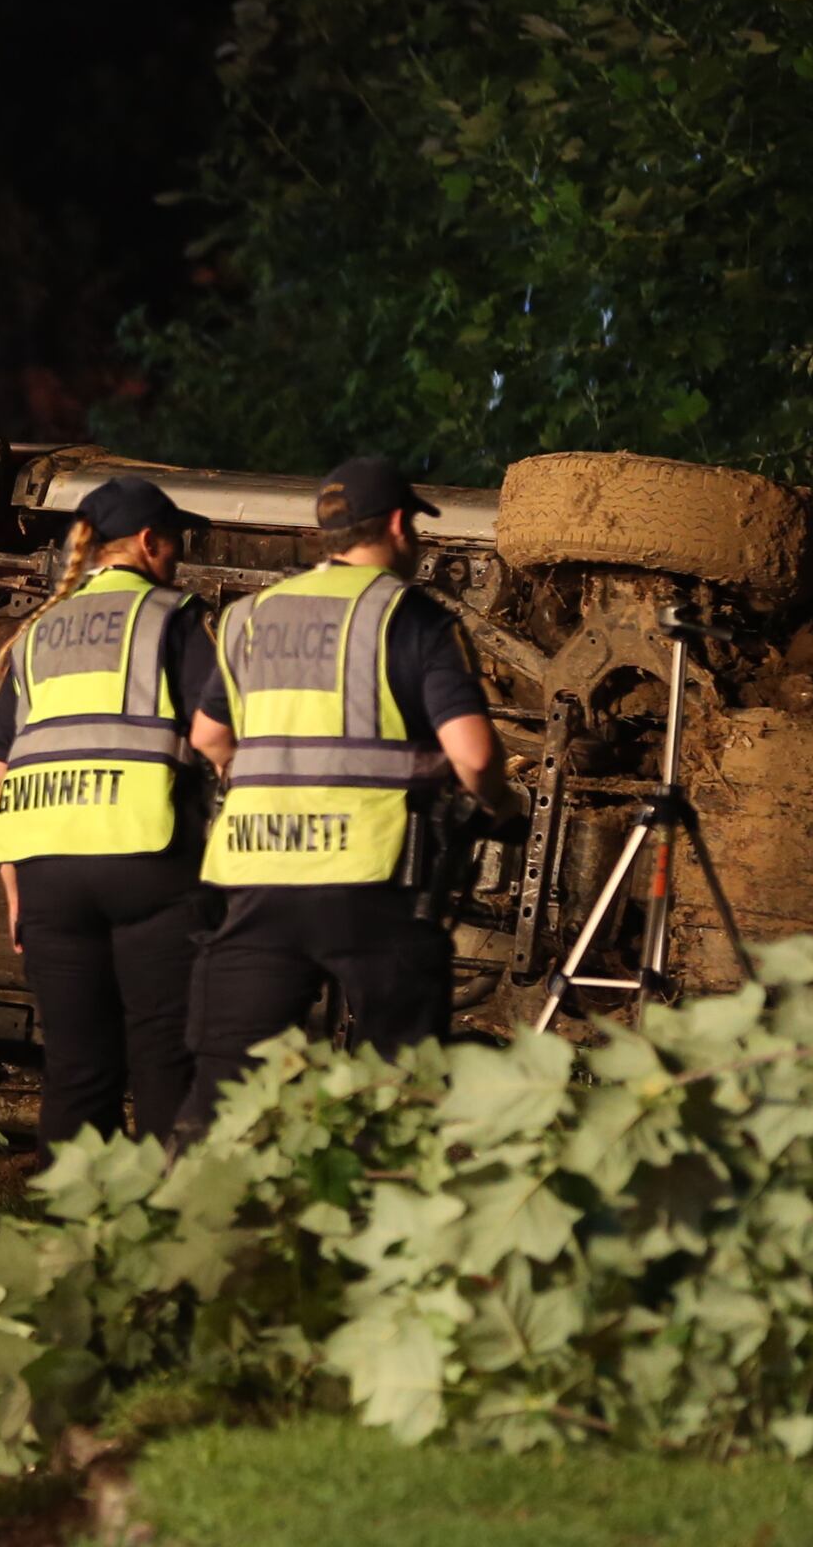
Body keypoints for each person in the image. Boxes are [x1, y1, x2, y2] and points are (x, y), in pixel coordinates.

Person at [174, 456, 516, 1138]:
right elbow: (474, 755)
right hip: (373, 881)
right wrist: (501, 805)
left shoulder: (248, 618)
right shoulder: (413, 619)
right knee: (398, 1087)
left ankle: (194, 1225)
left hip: (257, 877)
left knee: (224, 1093)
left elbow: (208, 738)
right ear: (397, 526)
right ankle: (378, 1222)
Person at [0, 478, 235, 1150]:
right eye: (175, 542)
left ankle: (72, 1241)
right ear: (150, 543)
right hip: (144, 860)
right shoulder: (174, 618)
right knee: (163, 1061)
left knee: (75, 1070)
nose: (177, 557)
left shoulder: (34, 635)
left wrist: (13, 888)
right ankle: (160, 1238)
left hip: (46, 874)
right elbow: (211, 734)